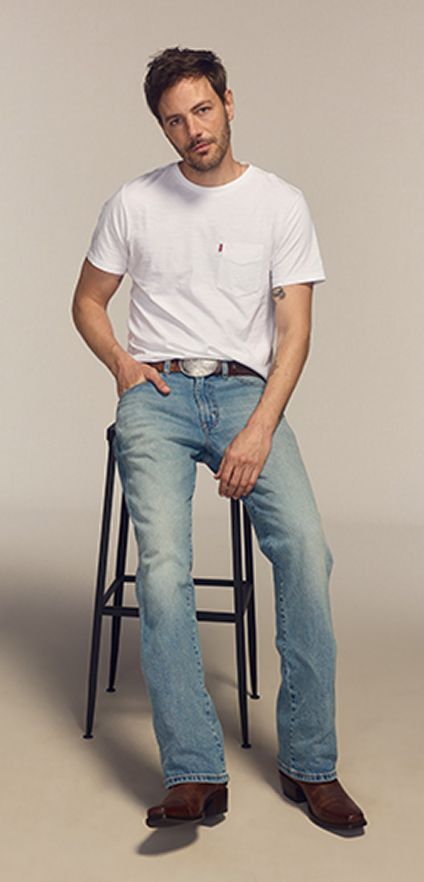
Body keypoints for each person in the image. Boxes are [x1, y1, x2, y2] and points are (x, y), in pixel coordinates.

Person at [72, 46, 367, 835]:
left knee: (306, 549)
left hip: (246, 394)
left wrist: (260, 427)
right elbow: (88, 301)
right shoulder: (134, 202)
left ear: (229, 104)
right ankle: (196, 771)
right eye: (175, 120)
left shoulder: (280, 204)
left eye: (202, 109)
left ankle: (311, 762)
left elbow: (294, 332)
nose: (192, 129)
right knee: (165, 567)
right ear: (162, 128)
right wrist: (122, 365)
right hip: (159, 395)